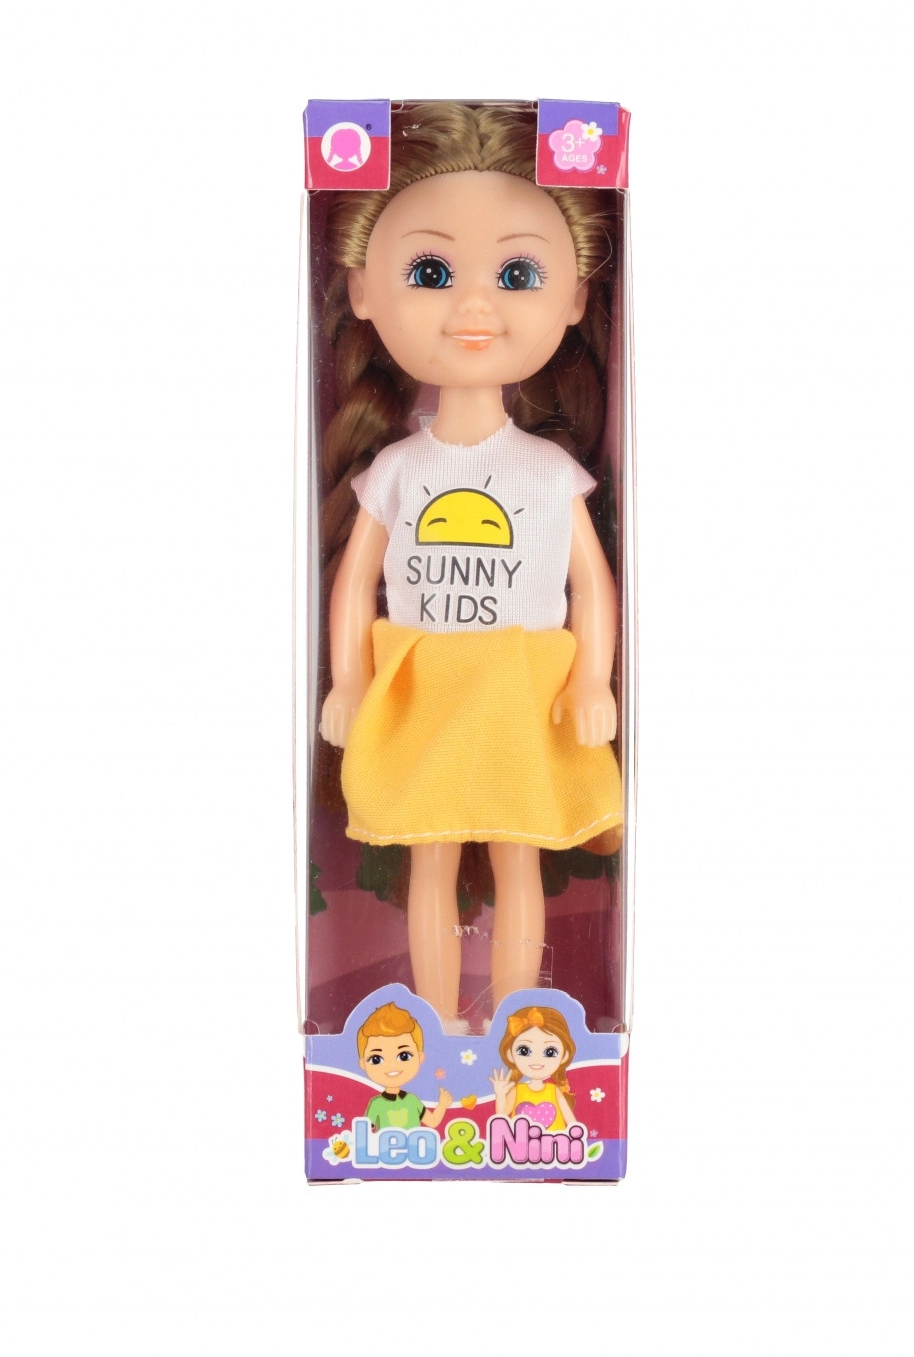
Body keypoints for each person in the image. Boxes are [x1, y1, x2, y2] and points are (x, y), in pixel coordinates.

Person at [318, 103, 623, 1028]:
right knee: (431, 855)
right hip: (424, 687)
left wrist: (594, 679)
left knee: (520, 852)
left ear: (576, 299)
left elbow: (590, 584)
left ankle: (526, 1025)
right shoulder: (397, 470)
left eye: (518, 275)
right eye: (431, 273)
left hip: (523, 687)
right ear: (361, 290)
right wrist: (349, 681)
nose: (476, 307)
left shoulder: (548, 471)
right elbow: (355, 583)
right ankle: (436, 1023)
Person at [357, 1001, 451, 1131]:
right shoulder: (376, 1104)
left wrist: (442, 1105)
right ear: (363, 1064)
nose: (391, 1065)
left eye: (404, 1056)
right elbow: (363, 1131)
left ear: (420, 1057)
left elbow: (433, 1121)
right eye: (376, 1059)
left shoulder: (412, 1100)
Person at [487, 1004, 579, 1130]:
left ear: (564, 1055)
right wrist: (500, 1095)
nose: (537, 1060)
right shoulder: (517, 1090)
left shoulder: (554, 1091)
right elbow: (501, 1116)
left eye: (550, 1052)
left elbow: (572, 1122)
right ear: (510, 1054)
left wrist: (576, 1136)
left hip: (556, 1141)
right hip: (520, 1141)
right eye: (524, 1051)